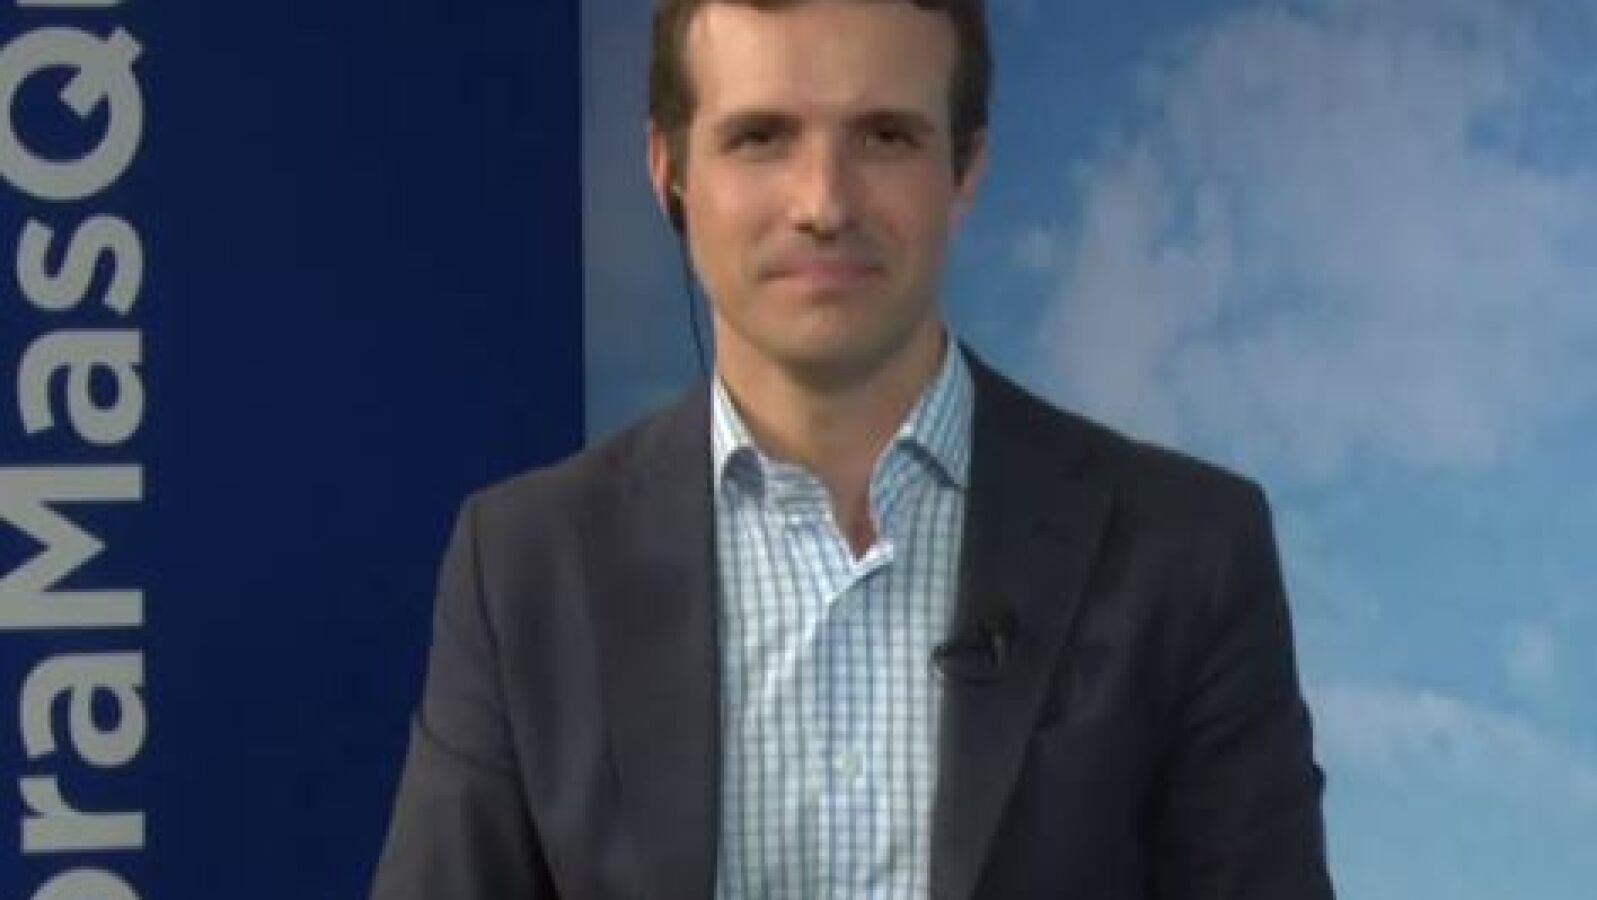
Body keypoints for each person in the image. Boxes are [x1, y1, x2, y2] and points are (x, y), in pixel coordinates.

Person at [370, 0, 1335, 897]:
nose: (824, 204)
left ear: (966, 166)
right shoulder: (524, 567)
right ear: (668, 169)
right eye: (761, 136)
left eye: (884, 137)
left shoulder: (1187, 553)